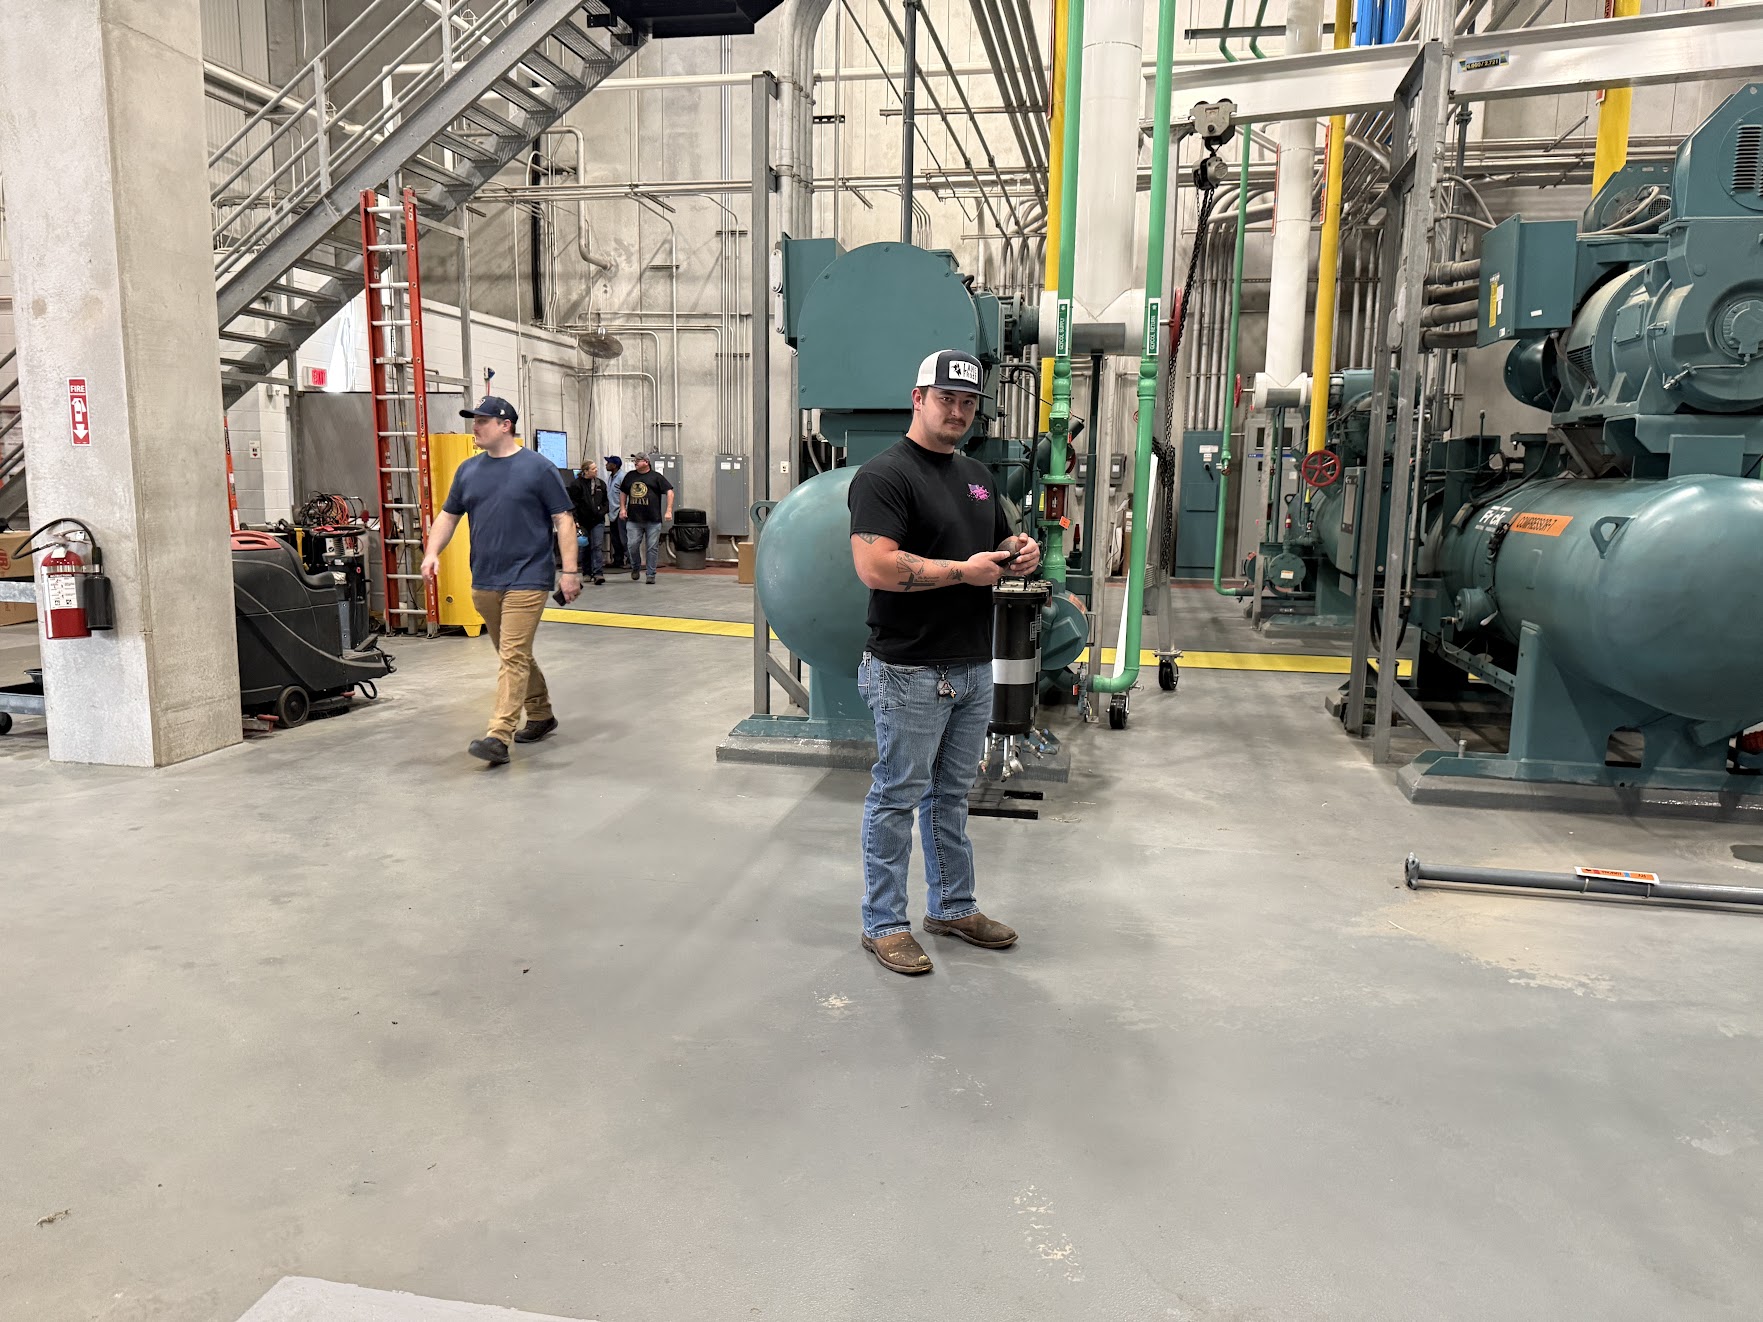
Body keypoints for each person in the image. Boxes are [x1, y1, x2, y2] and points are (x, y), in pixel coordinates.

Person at [846, 349, 1041, 976]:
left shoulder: (977, 476)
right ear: (918, 398)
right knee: (897, 796)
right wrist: (964, 572)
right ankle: (884, 923)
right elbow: (876, 566)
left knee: (952, 795)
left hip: (972, 664)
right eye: (945, 399)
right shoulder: (884, 476)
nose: (957, 411)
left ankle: (954, 907)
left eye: (967, 402)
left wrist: (1017, 550)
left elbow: (988, 542)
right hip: (909, 669)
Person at [421, 396, 580, 765]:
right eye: (474, 420)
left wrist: (570, 572)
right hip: (485, 578)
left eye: (482, 421)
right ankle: (540, 714)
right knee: (513, 653)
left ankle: (498, 735)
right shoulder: (467, 470)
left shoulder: (538, 468)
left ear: (505, 425)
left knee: (512, 655)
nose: (475, 427)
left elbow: (564, 520)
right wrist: (432, 552)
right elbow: (448, 516)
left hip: (529, 576)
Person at [620, 453, 675, 584]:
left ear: (646, 462)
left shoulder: (656, 477)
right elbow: (623, 492)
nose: (635, 463)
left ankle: (651, 574)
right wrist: (622, 508)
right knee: (632, 546)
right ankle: (635, 566)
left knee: (652, 547)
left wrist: (668, 510)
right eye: (634, 461)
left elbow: (670, 491)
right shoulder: (630, 476)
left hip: (653, 520)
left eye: (638, 460)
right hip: (634, 519)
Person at [568, 459, 609, 585]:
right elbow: (573, 504)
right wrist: (575, 520)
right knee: (584, 546)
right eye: (593, 469)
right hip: (582, 521)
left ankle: (598, 573)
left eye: (596, 468)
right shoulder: (576, 485)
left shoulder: (600, 484)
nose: (596, 470)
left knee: (597, 546)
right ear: (585, 471)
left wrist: (601, 512)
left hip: (598, 520)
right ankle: (586, 572)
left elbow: (606, 502)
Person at [604, 455, 628, 569]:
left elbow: (627, 494)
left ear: (614, 465)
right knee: (615, 538)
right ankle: (618, 560)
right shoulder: (611, 477)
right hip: (612, 511)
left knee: (624, 538)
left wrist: (624, 509)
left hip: (620, 511)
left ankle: (630, 560)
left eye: (608, 463)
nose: (606, 465)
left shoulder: (622, 477)